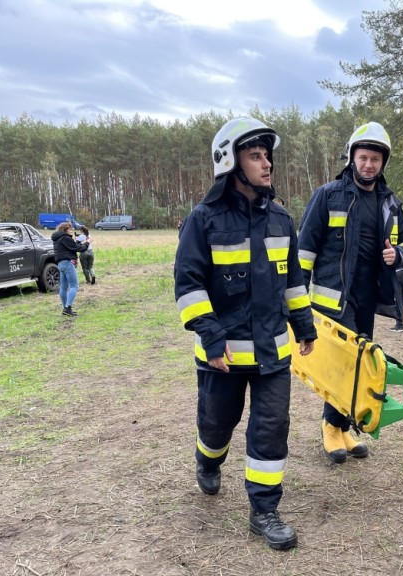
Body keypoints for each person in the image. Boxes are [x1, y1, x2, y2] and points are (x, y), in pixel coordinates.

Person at [174, 117, 317, 551]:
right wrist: (212, 340)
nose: (266, 163)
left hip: (273, 353)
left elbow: (293, 280)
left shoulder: (281, 219)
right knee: (217, 423)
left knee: (271, 427)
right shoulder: (203, 221)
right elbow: (189, 285)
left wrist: (304, 325)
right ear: (229, 163)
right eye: (255, 155)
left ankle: (264, 511)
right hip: (224, 355)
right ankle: (208, 458)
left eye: (267, 155)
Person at [297, 121, 403, 464]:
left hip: (370, 296)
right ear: (352, 158)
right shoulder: (328, 195)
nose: (368, 165)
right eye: (363, 157)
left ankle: (343, 426)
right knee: (342, 363)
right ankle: (331, 427)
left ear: (383, 163)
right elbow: (304, 250)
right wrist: (296, 302)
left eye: (375, 160)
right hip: (332, 297)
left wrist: (402, 254)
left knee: (360, 362)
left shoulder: (390, 202)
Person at [51, 222, 90, 317]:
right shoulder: (65, 238)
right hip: (67, 263)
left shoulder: (58, 238)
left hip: (60, 264)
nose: (72, 230)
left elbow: (70, 247)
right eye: (70, 229)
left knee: (63, 287)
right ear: (65, 229)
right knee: (74, 286)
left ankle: (65, 308)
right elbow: (79, 249)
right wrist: (88, 242)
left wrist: (76, 242)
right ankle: (68, 307)